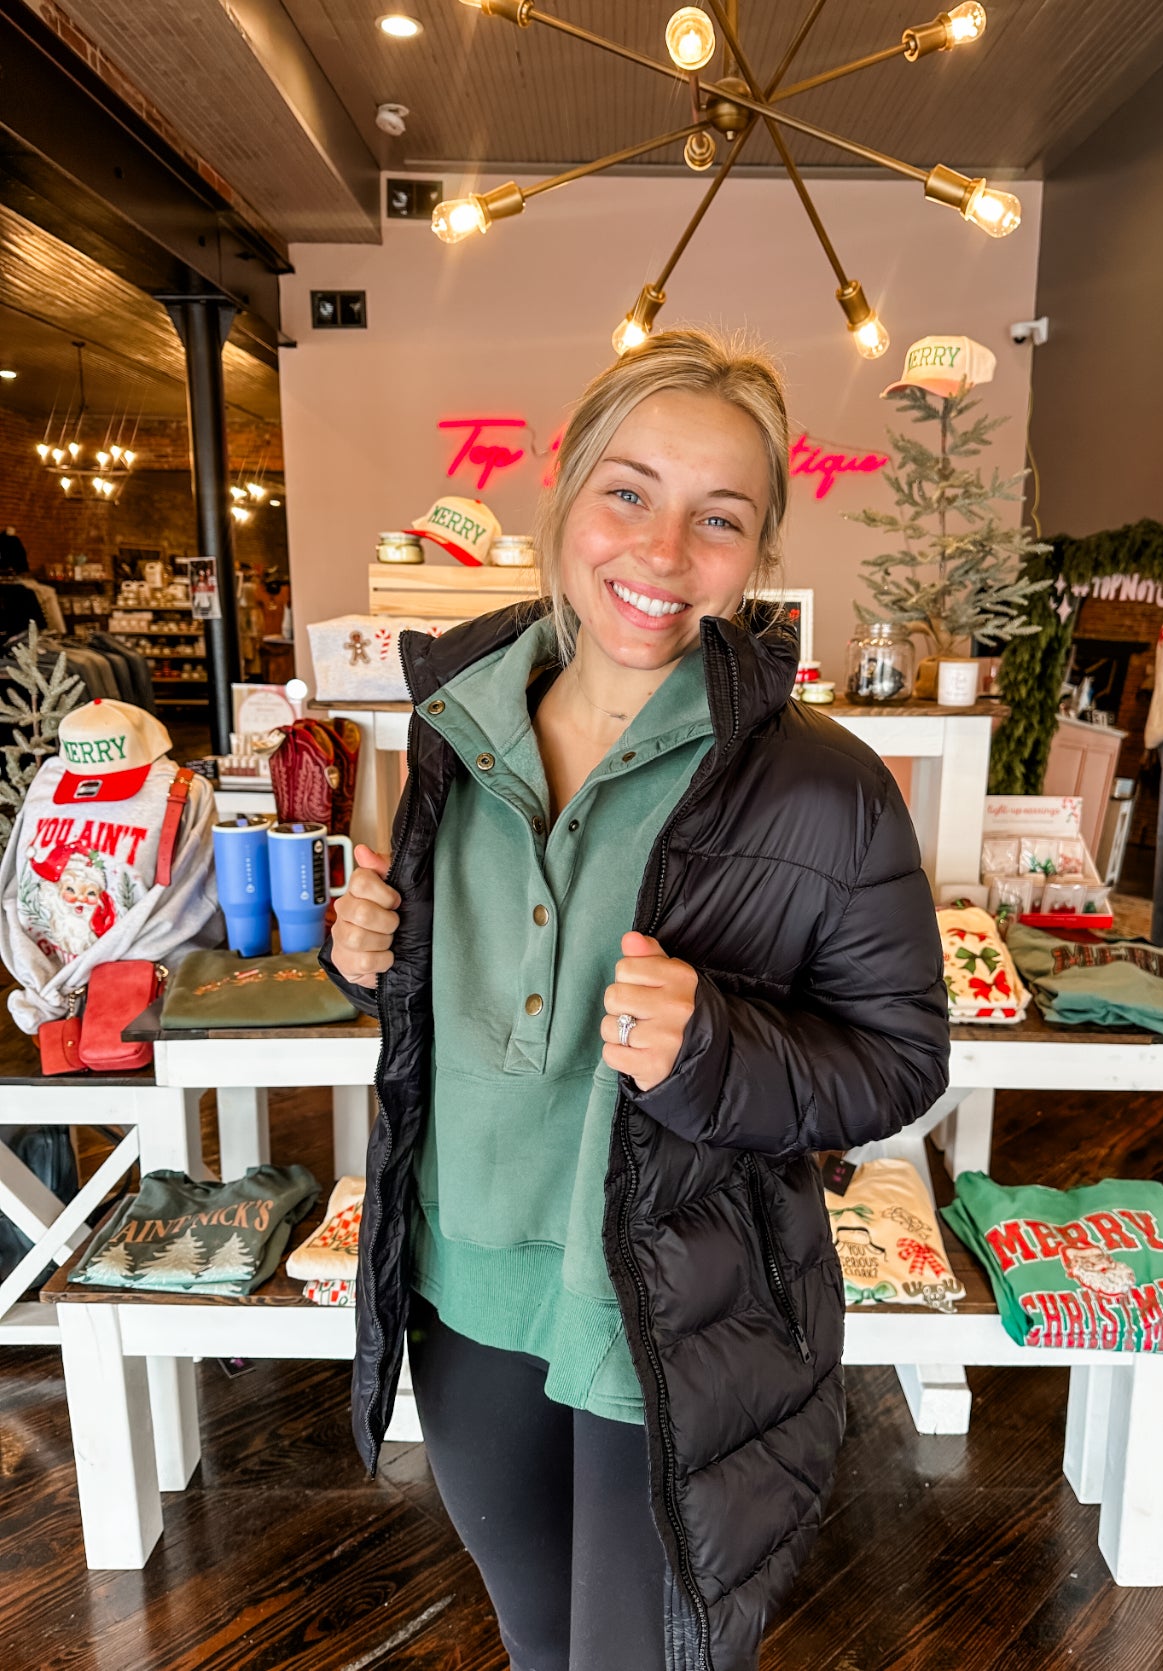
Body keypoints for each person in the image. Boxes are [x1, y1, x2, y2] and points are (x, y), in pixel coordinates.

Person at [322, 329, 950, 1671]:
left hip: (667, 1316)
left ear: (759, 553)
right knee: (540, 1650)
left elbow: (898, 1060)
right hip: (465, 1290)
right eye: (628, 492)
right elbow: (462, 996)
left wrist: (710, 1048)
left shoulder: (822, 786)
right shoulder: (456, 726)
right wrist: (366, 956)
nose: (662, 552)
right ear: (562, 496)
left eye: (718, 518)